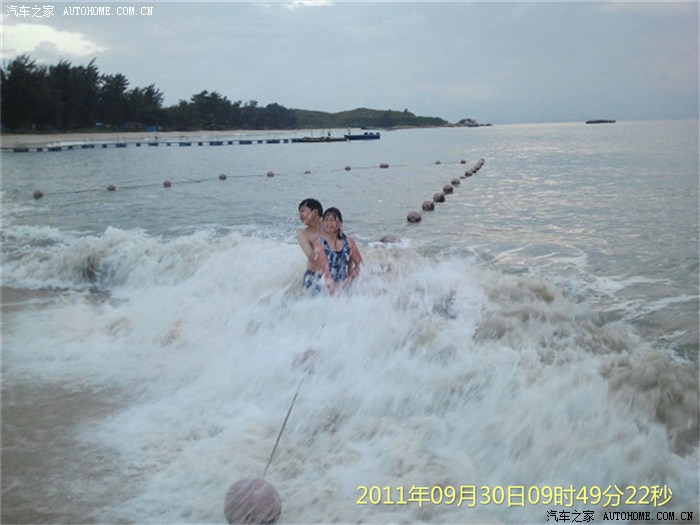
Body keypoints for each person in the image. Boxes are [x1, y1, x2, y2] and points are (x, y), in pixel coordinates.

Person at [313, 207, 362, 295]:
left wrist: (348, 280)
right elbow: (325, 271)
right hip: (323, 286)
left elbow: (359, 264)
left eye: (332, 220)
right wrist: (333, 289)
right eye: (326, 220)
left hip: (344, 284)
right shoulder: (319, 243)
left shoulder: (349, 242)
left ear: (339, 223)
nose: (328, 223)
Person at [297, 198, 324, 294]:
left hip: (334, 272)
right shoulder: (303, 235)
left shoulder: (330, 227)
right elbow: (312, 257)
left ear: (315, 212)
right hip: (314, 275)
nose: (300, 215)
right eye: (299, 212)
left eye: (303, 211)